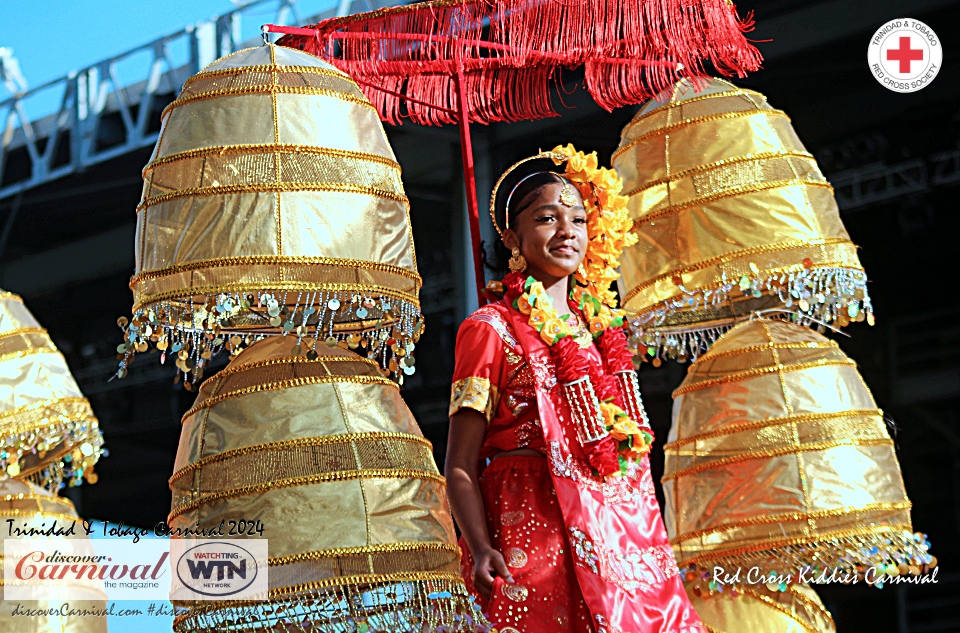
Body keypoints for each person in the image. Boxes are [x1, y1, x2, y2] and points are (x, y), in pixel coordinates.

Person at [445, 145, 705, 633]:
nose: (567, 232)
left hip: (615, 536)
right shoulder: (488, 328)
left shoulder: (601, 332)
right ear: (511, 237)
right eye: (547, 218)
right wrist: (480, 547)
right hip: (528, 526)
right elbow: (459, 462)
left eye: (579, 220)